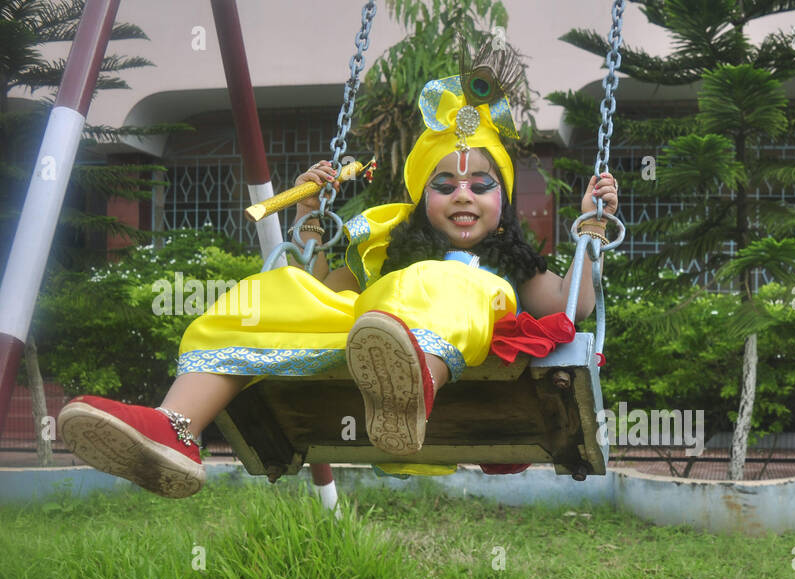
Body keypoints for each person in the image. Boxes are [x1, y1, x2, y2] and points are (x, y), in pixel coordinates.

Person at [58, 70, 618, 496]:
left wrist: (591, 225)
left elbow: (578, 305)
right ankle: (175, 428)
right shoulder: (383, 243)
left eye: (480, 183)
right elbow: (320, 295)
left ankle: (413, 380)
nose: (463, 194)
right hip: (368, 340)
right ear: (422, 199)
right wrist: (307, 214)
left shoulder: (509, 269)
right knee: (266, 292)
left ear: (504, 199)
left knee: (446, 281)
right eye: (444, 184)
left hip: (454, 358)